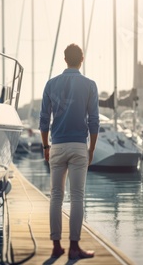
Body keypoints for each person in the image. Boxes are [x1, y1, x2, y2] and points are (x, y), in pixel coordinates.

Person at [39, 43, 99, 260]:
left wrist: (46, 146)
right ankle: (74, 247)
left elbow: (44, 120)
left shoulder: (51, 84)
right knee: (77, 197)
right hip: (78, 145)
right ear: (81, 60)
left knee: (56, 195)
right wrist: (91, 149)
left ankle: (56, 246)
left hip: (57, 145)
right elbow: (94, 121)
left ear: (65, 59)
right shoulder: (90, 85)